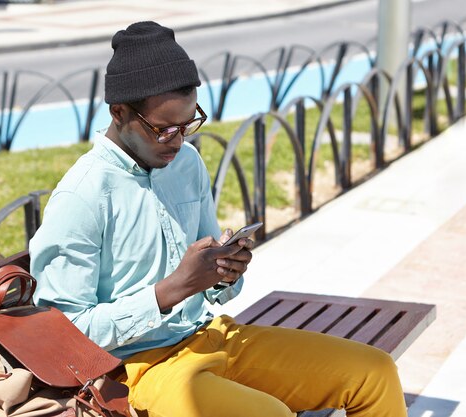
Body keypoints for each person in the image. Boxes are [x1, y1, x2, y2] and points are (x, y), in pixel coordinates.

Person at [30, 21, 407, 417]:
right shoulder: (83, 195)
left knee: (374, 372)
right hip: (136, 369)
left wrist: (225, 272)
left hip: (211, 336)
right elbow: (66, 333)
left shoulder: (185, 163)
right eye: (164, 129)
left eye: (188, 124)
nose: (178, 140)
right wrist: (171, 290)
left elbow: (209, 282)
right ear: (119, 112)